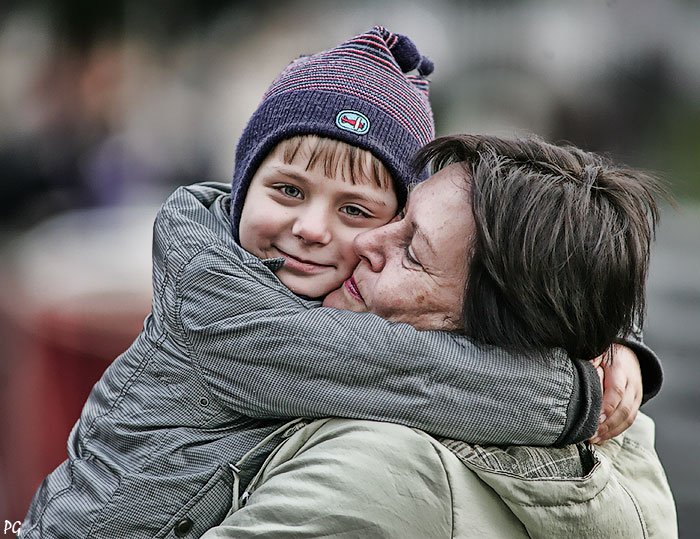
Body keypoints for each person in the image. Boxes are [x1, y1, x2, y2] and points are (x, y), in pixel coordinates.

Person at [21, 29, 655, 538]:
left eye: (359, 212)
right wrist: (573, 391)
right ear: (243, 185)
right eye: (288, 191)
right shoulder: (215, 300)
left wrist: (615, 341)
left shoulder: (349, 335)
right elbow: (405, 370)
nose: (313, 228)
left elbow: (531, 280)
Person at [202, 134, 677, 538]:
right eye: (400, 214)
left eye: (412, 251)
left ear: (488, 339)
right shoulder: (623, 440)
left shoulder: (372, 471)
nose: (366, 242)